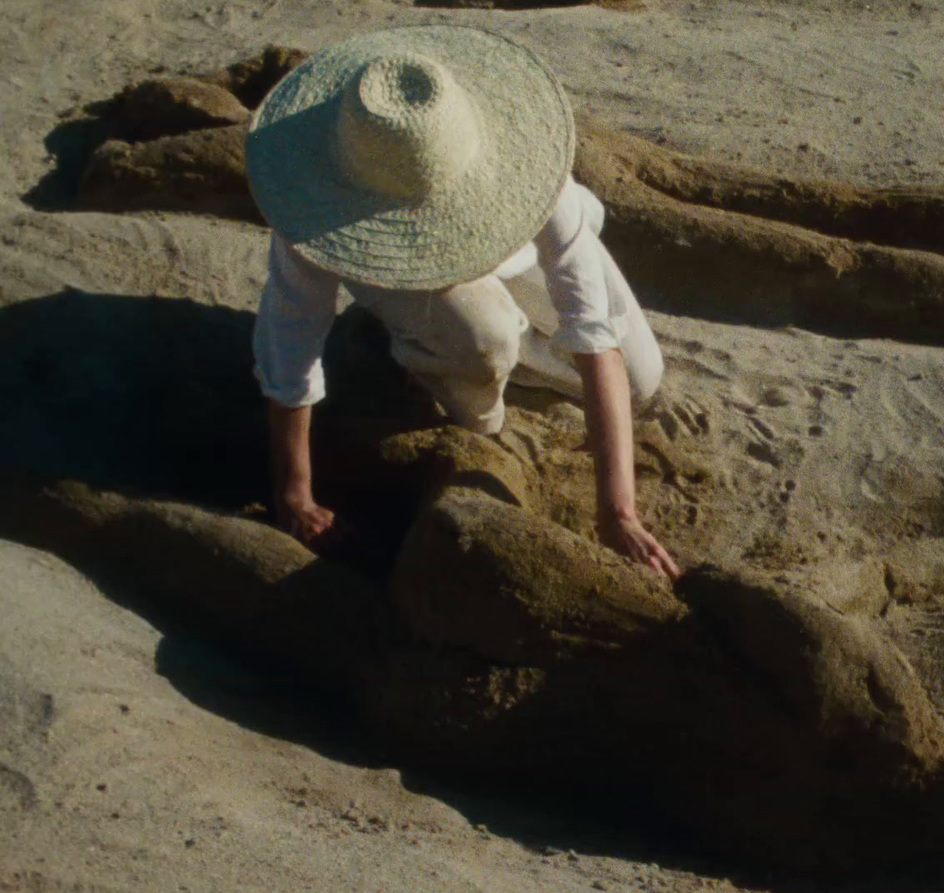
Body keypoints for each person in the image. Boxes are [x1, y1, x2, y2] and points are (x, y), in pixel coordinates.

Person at [244, 24, 679, 577]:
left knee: (642, 380)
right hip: (401, 272)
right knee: (485, 354)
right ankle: (435, 362)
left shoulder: (530, 171)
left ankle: (432, 342)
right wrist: (294, 496)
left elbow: (596, 336)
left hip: (515, 257)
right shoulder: (320, 201)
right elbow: (289, 345)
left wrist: (618, 514)